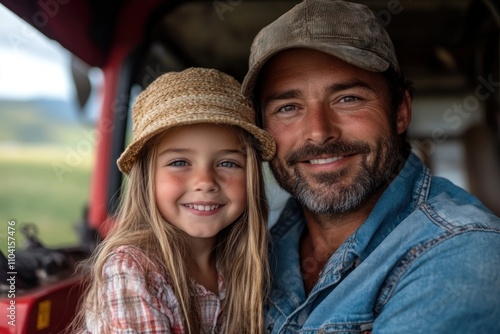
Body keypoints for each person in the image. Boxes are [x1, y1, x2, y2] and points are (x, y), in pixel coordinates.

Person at [241, 0, 500, 333]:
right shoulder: (252, 251)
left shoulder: (463, 252)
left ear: (401, 111)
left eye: (348, 99)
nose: (319, 133)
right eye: (288, 107)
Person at [71, 67, 275, 333]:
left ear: (252, 178)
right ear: (146, 179)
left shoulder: (244, 263)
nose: (205, 181)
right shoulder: (132, 271)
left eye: (228, 163)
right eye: (179, 162)